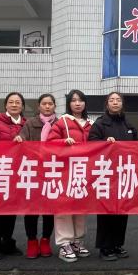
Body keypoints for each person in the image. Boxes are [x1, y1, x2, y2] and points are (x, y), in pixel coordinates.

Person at [88, 92, 137, 261]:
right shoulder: (100, 123)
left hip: (123, 174)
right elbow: (90, 144)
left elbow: (137, 148)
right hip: (106, 175)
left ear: (122, 104)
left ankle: (117, 244)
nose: (115, 102)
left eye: (118, 100)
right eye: (112, 100)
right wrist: (104, 143)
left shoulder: (128, 125)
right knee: (106, 213)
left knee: (122, 212)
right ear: (107, 104)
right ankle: (105, 247)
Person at [46, 89, 92, 263]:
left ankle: (77, 240)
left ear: (85, 103)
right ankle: (64, 243)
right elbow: (49, 143)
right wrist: (63, 142)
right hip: (64, 171)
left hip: (83, 171)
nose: (77, 103)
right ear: (68, 104)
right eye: (73, 100)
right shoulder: (62, 122)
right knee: (64, 206)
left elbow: (98, 143)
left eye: (80, 100)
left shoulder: (91, 124)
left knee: (80, 206)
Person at [0, 92, 29, 259]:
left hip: (18, 171)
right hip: (0, 171)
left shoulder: (26, 124)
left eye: (18, 102)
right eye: (11, 102)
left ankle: (8, 241)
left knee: (11, 209)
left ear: (22, 106)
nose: (14, 105)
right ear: (6, 105)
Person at [17, 93, 58, 259]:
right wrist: (19, 139)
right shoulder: (30, 123)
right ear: (39, 106)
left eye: (50, 104)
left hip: (52, 170)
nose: (47, 106)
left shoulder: (60, 123)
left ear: (54, 106)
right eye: (44, 104)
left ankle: (46, 240)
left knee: (50, 209)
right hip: (33, 170)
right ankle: (32, 240)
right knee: (31, 208)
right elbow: (22, 137)